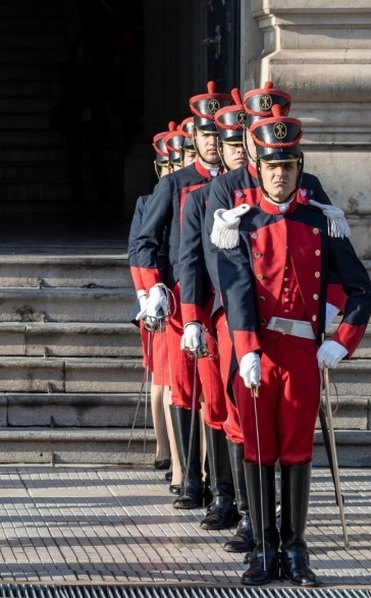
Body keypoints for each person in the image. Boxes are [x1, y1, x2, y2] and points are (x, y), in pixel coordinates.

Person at [215, 106, 371, 586]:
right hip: (258, 353)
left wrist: (341, 342)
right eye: (272, 166)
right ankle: (263, 550)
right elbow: (236, 292)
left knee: (298, 451)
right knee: (260, 449)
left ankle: (295, 550)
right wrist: (245, 352)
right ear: (257, 167)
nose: (280, 175)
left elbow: (361, 290)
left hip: (304, 352)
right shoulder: (238, 225)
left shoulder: (323, 222)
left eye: (288, 166)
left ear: (298, 169)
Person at [136, 81, 231, 511]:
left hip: (226, 302)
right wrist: (153, 286)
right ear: (195, 139)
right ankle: (190, 476)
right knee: (184, 389)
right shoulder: (176, 183)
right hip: (182, 297)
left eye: (219, 134)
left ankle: (220, 482)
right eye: (207, 135)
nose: (213, 143)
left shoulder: (238, 182)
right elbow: (145, 241)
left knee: (219, 392)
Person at [177, 88, 248, 532]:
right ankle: (225, 495)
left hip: (261, 320)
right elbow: (189, 260)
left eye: (245, 141)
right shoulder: (203, 197)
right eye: (233, 142)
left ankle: (252, 502)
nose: (240, 150)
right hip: (216, 312)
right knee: (219, 406)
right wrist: (191, 319)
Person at [127, 128, 172, 481]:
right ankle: (162, 446)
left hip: (181, 294)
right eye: (166, 165)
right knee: (159, 376)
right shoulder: (146, 203)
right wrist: (146, 295)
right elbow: (137, 251)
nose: (172, 171)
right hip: (155, 298)